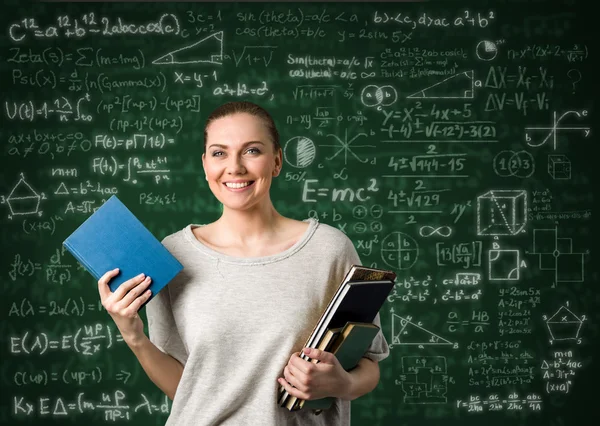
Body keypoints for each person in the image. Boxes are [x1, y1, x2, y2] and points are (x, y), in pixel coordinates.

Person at [97, 101, 390, 425]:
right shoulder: (173, 253)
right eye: (219, 153)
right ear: (205, 164)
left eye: (252, 151)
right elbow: (189, 388)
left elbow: (369, 365)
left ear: (277, 160)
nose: (234, 167)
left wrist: (342, 383)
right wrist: (133, 335)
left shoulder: (330, 250)